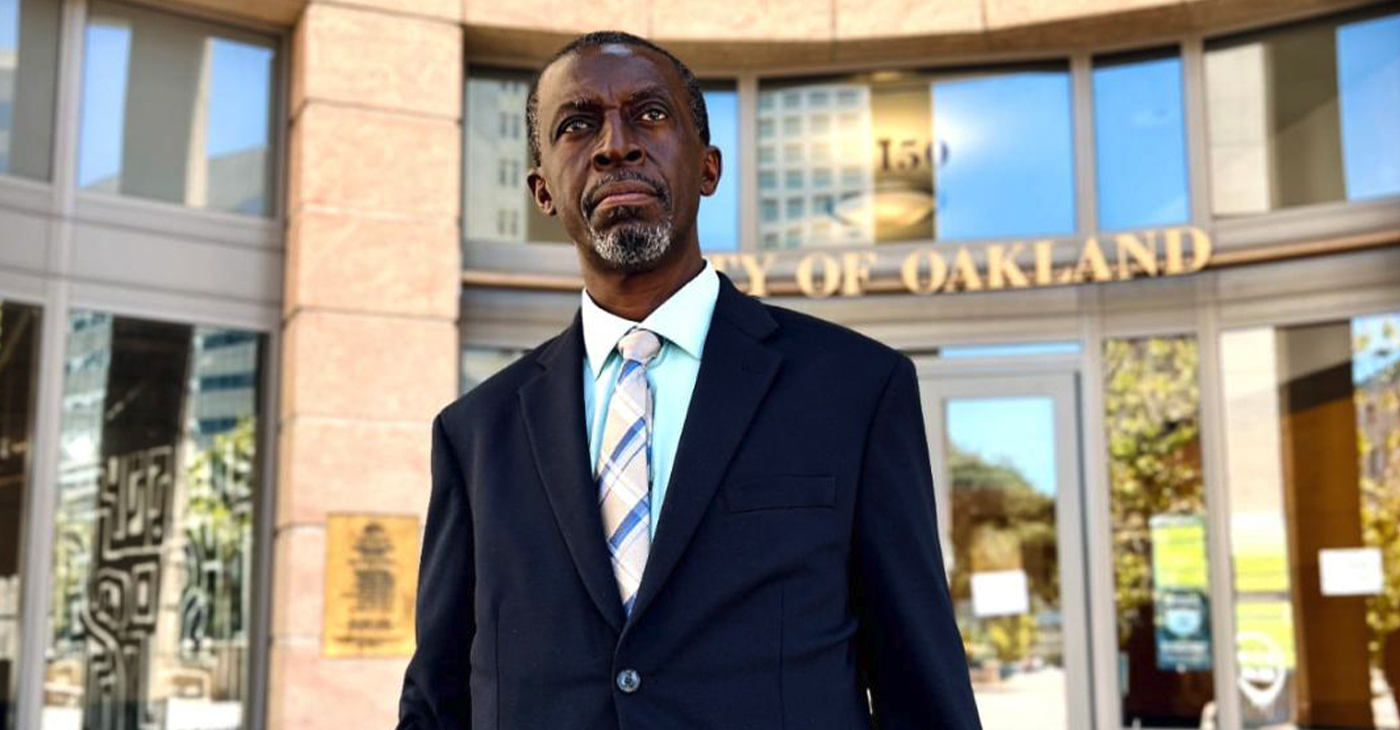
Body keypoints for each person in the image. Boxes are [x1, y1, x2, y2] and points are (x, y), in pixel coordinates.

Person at [396, 30, 982, 730]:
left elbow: (923, 688)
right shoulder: (474, 436)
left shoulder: (856, 390)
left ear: (708, 168)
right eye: (578, 125)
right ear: (542, 190)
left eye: (650, 115)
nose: (616, 144)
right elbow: (438, 703)